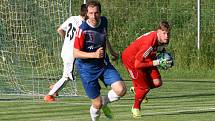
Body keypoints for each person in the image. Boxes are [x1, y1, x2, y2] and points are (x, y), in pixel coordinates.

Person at [73, 0, 126, 121]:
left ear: (100, 12)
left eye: (96, 13)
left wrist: (111, 51)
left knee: (121, 89)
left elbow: (104, 36)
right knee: (97, 105)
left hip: (103, 64)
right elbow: (75, 53)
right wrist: (94, 54)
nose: (93, 16)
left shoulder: (104, 21)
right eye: (91, 13)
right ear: (87, 13)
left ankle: (104, 102)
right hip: (87, 69)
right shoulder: (82, 30)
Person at [122, 21, 171, 118]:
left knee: (157, 82)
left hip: (146, 58)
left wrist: (165, 58)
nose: (167, 36)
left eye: (168, 33)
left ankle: (137, 89)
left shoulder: (162, 40)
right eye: (164, 33)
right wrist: (157, 62)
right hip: (132, 60)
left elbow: (158, 50)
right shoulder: (150, 43)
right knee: (144, 88)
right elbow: (138, 64)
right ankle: (135, 108)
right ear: (158, 32)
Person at [44, 4, 87, 102]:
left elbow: (60, 29)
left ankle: (55, 87)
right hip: (72, 53)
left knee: (69, 73)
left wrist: (66, 39)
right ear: (86, 13)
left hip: (65, 50)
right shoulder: (83, 24)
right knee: (67, 76)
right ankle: (49, 95)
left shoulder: (72, 18)